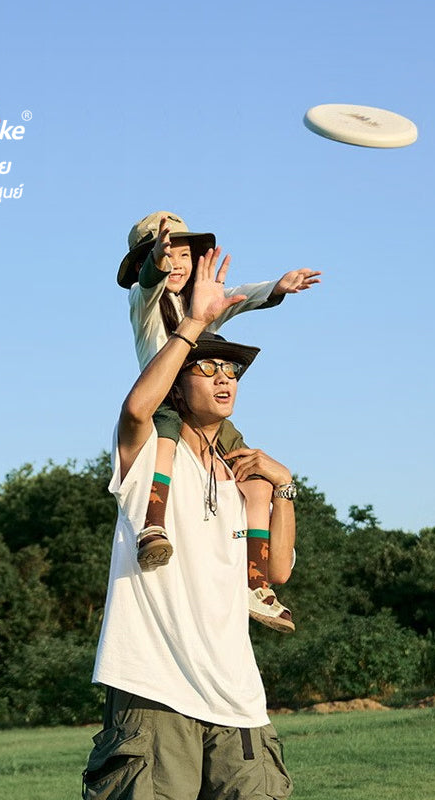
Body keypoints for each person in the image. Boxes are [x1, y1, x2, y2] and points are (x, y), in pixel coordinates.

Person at [83, 250, 295, 799]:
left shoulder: (241, 477)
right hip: (155, 691)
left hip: (239, 700)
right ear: (177, 387)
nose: (225, 378)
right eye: (208, 368)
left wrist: (285, 487)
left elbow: (278, 569)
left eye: (232, 370)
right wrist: (195, 322)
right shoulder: (150, 456)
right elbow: (136, 411)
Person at [117, 210, 319, 633]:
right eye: (166, 253)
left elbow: (235, 297)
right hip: (165, 400)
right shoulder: (144, 300)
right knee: (165, 440)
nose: (176, 263)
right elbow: (151, 281)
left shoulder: (200, 306)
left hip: (198, 410)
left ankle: (256, 584)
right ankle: (153, 524)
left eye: (184, 255)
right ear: (143, 263)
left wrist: (276, 288)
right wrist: (156, 261)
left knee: (255, 477)